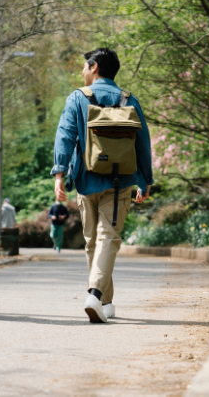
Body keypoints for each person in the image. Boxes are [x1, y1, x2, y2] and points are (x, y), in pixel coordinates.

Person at [51, 48, 153, 323]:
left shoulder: (77, 98)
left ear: (94, 67)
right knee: (105, 239)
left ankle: (94, 294)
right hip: (121, 181)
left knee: (93, 243)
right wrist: (145, 180)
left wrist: (59, 173)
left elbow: (65, 136)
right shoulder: (129, 100)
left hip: (86, 180)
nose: (82, 72)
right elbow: (142, 143)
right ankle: (104, 302)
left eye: (85, 67)